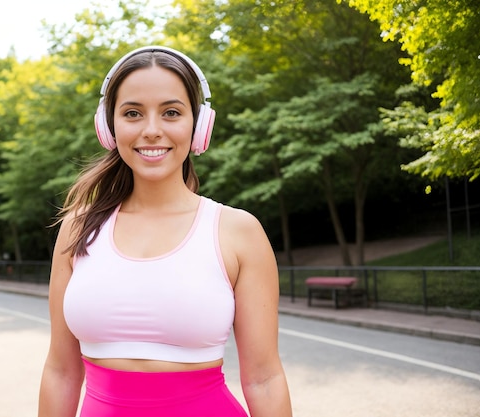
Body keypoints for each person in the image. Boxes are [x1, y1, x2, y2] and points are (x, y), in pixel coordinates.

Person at [38, 45, 293, 417]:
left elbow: (264, 379)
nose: (152, 130)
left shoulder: (238, 232)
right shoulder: (79, 228)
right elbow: (61, 373)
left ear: (199, 125)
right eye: (132, 113)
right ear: (108, 126)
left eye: (171, 112)